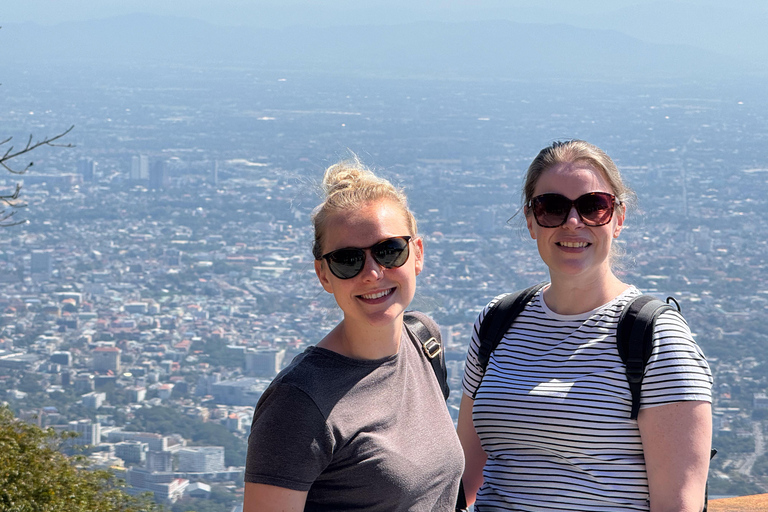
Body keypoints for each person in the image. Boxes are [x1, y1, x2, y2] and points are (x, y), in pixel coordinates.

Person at [457, 140, 713, 512]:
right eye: (552, 208)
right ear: (530, 221)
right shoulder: (498, 320)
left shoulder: (654, 337)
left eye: (594, 206)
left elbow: (678, 504)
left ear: (618, 219)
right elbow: (463, 476)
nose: (573, 222)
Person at [243, 157, 464, 512]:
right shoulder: (298, 404)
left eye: (389, 250)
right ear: (323, 274)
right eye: (348, 260)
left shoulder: (424, 341)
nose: (373, 273)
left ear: (417, 254)